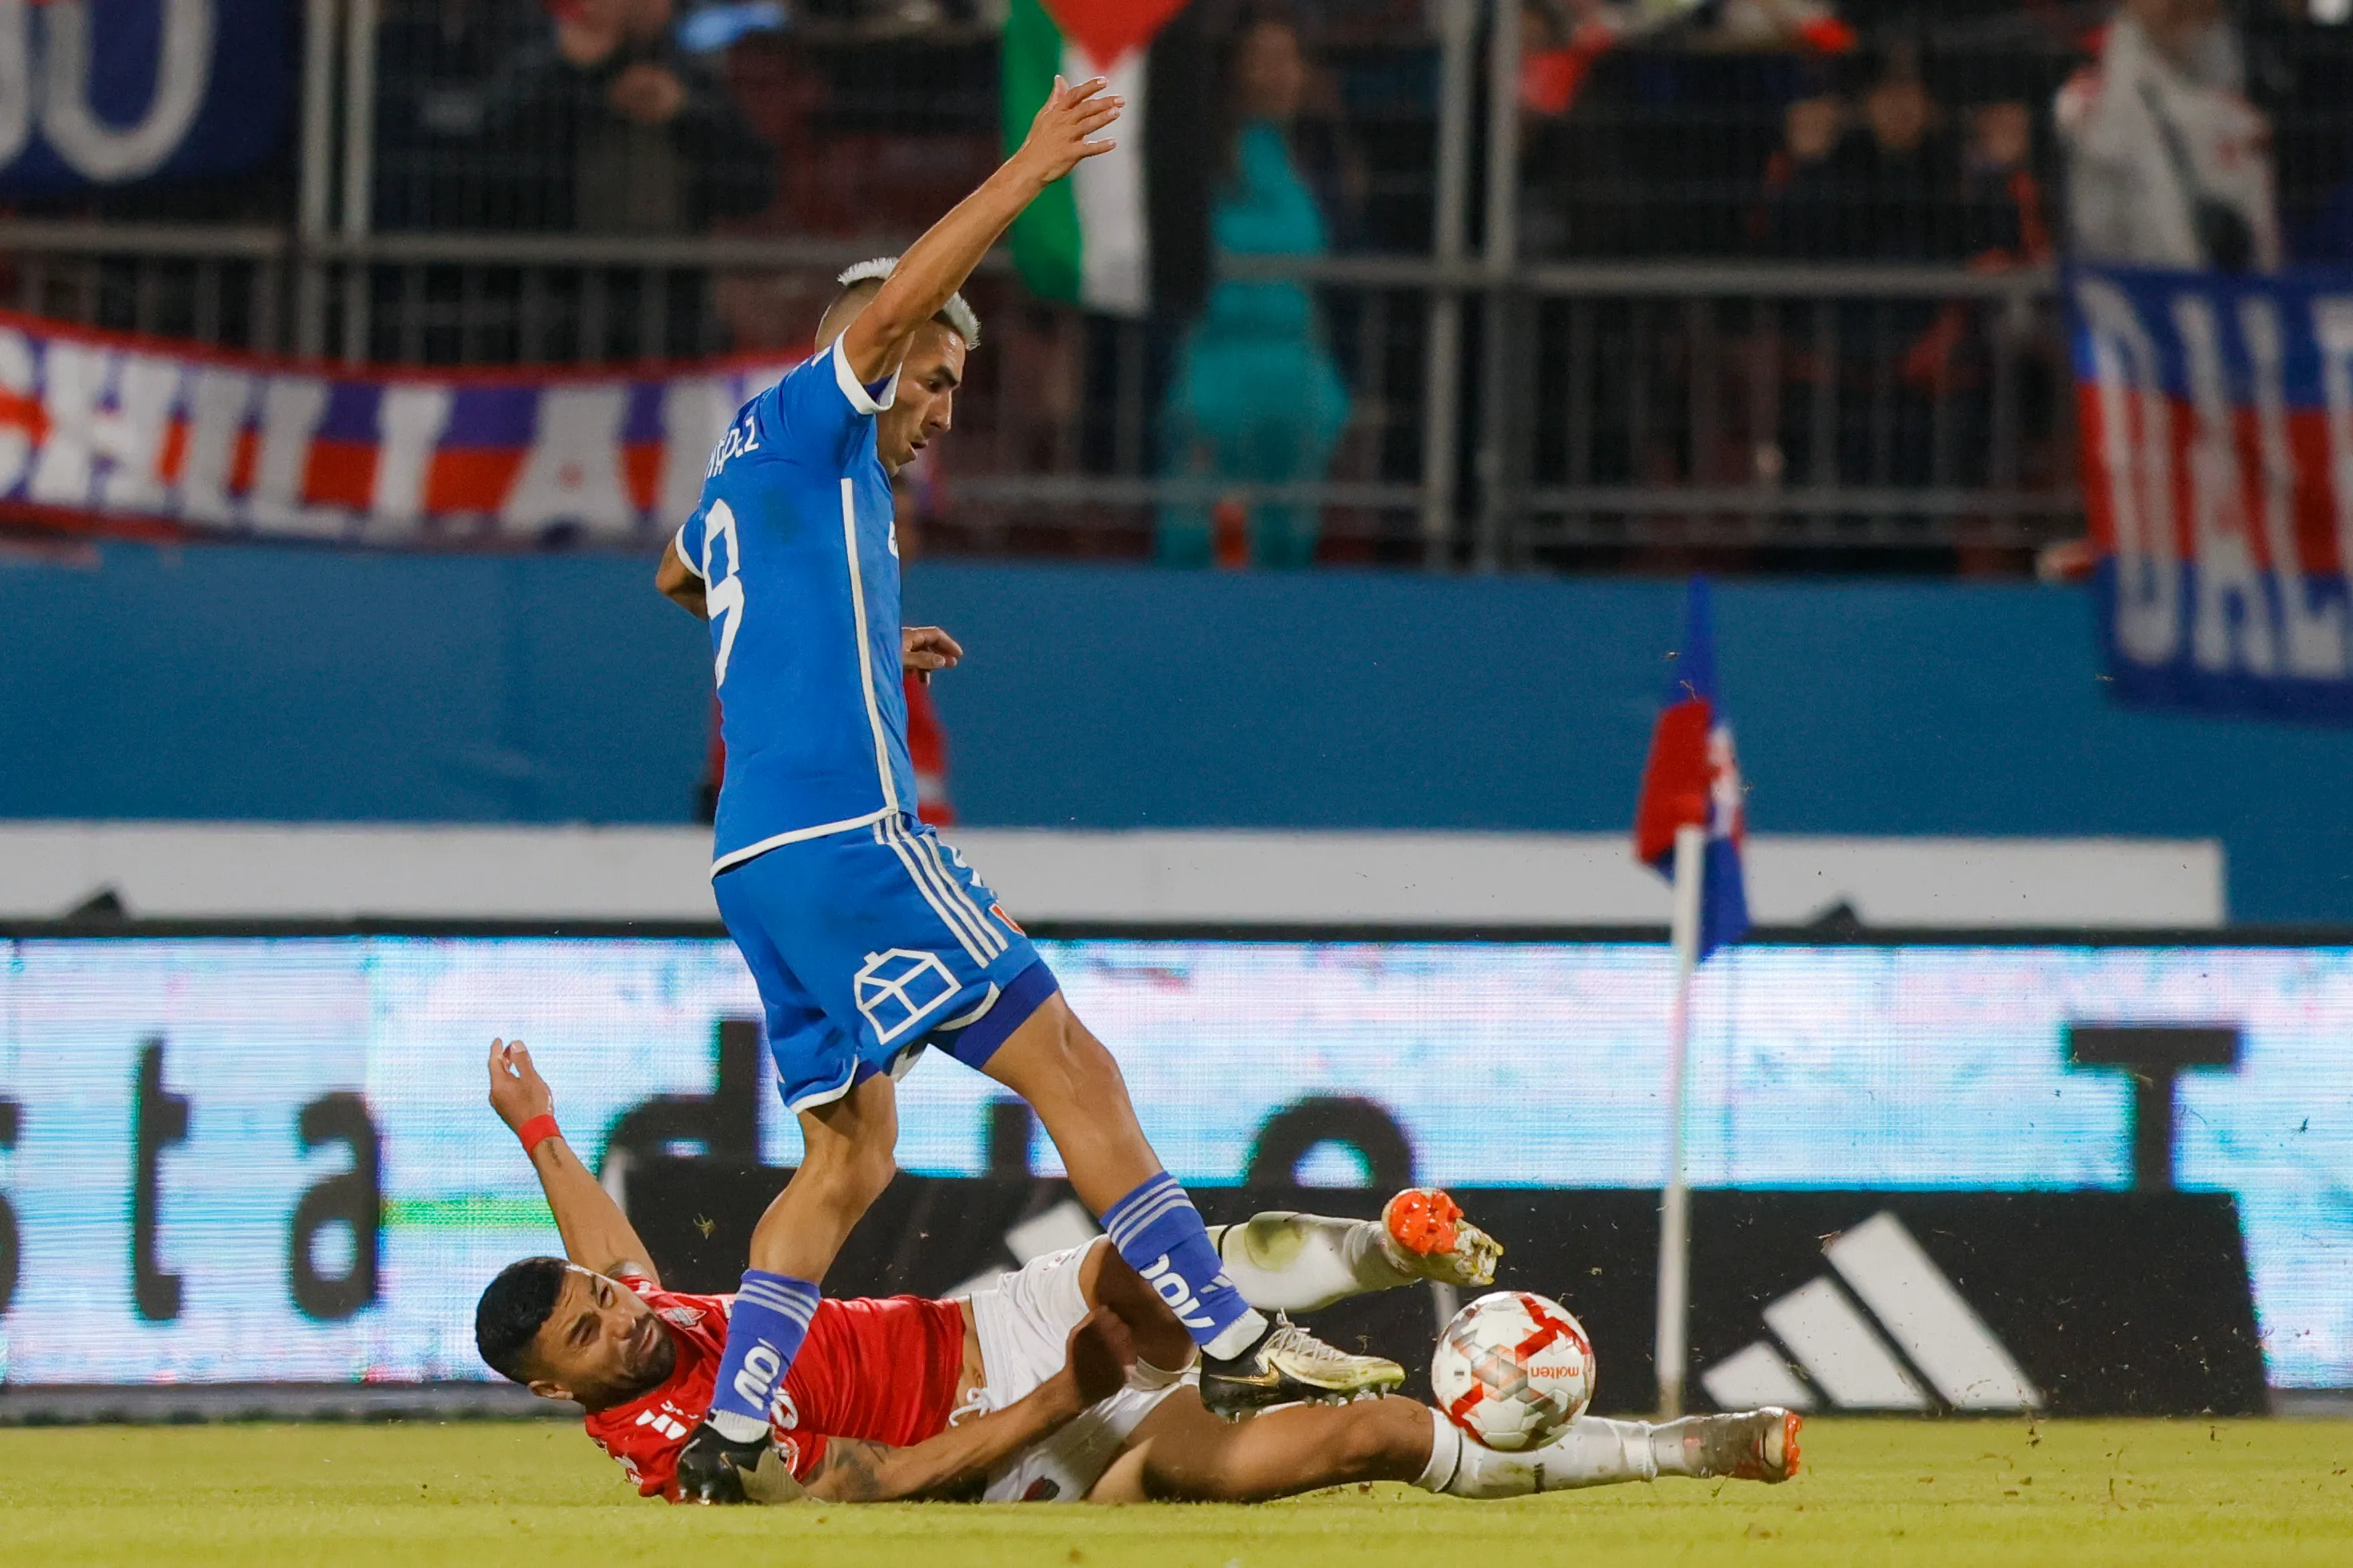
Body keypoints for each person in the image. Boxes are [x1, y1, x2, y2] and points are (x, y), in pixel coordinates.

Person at [647, 76, 1403, 1502]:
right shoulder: (815, 416)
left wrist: (860, 640)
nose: (940, 410)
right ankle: (1230, 1334)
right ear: (877, 358)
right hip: (850, 835)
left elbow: (684, 576)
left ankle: (730, 1431)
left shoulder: (749, 464)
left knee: (846, 1158)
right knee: (1071, 1063)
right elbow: (891, 303)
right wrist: (1027, 170)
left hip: (754, 861)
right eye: (932, 379)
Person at [476, 1037, 1802, 1505]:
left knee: (1143, 1259)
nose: (624, 1318)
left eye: (608, 1301)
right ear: (553, 1392)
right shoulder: (686, 1452)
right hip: (1014, 1452)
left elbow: (609, 1256)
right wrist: (1069, 1396)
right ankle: (1684, 1448)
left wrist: (538, 1129)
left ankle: (1382, 1251)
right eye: (591, 1336)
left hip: (979, 1326)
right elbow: (884, 1485)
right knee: (1382, 1433)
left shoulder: (635, 1314)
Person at [1157, 9, 1352, 570]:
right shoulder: (1198, 160)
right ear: (1235, 71)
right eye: (1262, 60)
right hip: (1218, 377)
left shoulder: (1323, 162)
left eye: (1287, 60)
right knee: (1207, 539)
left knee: (1288, 540)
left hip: (1300, 387)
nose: (1276, 75)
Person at [2056, 0, 2279, 273]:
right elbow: (2095, 234)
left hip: (2232, 289)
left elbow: (2262, 242)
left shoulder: (2244, 117)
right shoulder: (2091, 102)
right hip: (2130, 285)